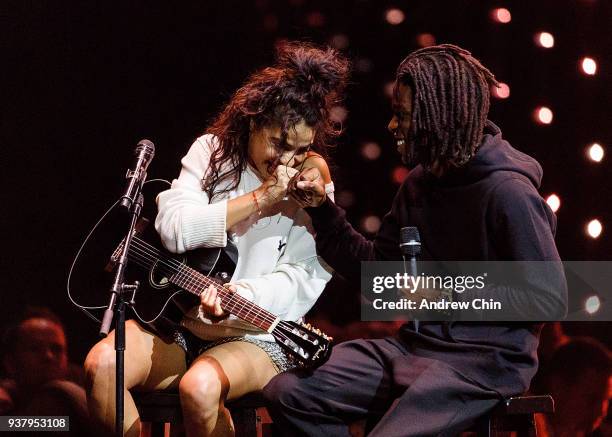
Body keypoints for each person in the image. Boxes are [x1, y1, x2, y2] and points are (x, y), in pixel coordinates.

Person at [264, 44, 567, 436]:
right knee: (289, 393)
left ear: (439, 117)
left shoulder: (507, 192)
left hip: (482, 363)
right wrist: (323, 209)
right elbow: (378, 274)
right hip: (415, 348)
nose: (392, 126)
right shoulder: (419, 185)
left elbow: (550, 296)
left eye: (402, 115)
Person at [84, 41, 349, 437]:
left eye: (301, 149)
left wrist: (235, 296)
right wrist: (260, 199)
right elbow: (175, 228)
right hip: (178, 322)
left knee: (201, 388)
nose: (287, 161)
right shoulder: (213, 153)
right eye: (278, 143)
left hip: (258, 334)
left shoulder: (312, 189)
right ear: (253, 122)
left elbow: (303, 280)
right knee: (102, 366)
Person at [0, 307, 89, 434]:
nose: (49, 356)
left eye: (56, 349)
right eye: (35, 349)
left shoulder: (61, 399)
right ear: (10, 362)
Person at [533, 338, 612, 437]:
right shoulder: (523, 427)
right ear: (558, 387)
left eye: (606, 400)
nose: (601, 412)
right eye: (592, 399)